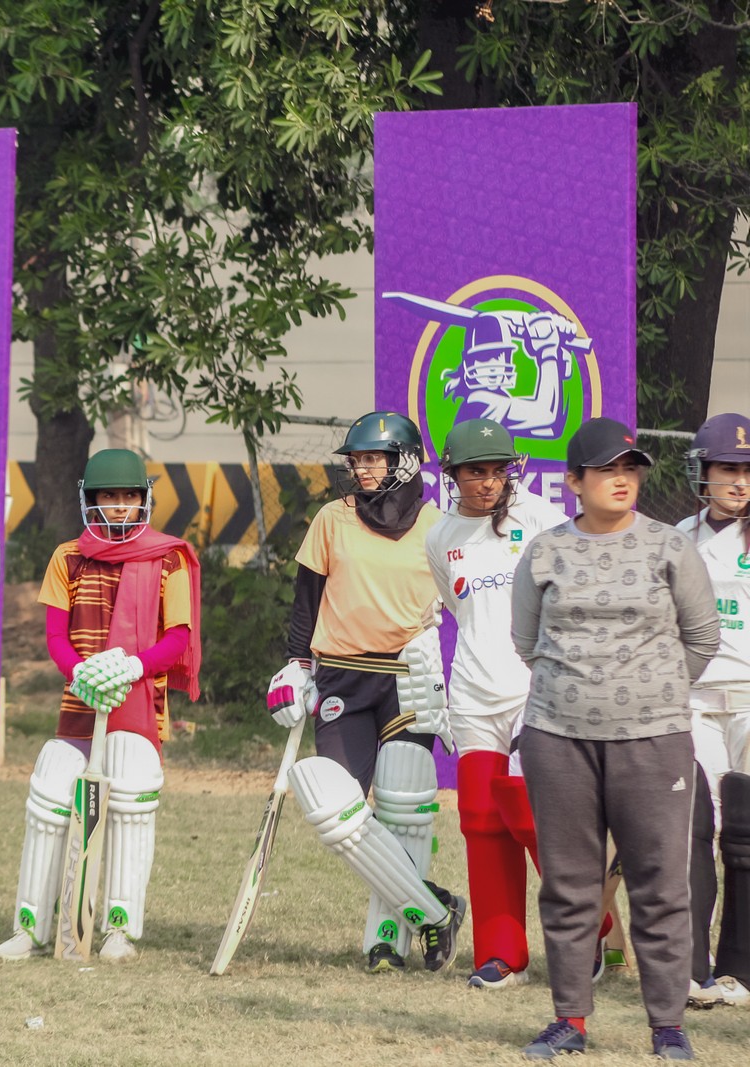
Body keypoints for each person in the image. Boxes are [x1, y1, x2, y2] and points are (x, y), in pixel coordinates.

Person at [511, 418, 719, 1061]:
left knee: (661, 885)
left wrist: (649, 692)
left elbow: (702, 638)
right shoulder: (544, 551)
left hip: (655, 743)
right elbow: (526, 641)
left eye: (631, 468)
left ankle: (668, 1025)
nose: (622, 479)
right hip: (559, 740)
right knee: (569, 885)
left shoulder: (670, 547)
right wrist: (581, 689)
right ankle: (569, 1020)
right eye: (606, 469)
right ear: (574, 481)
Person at [274, 412, 466, 974]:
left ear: (403, 461)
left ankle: (387, 940)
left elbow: (466, 605)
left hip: (409, 677)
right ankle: (434, 908)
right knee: (338, 810)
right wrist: (296, 665)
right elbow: (306, 601)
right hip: (341, 675)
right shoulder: (332, 519)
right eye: (356, 460)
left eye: (372, 459)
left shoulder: (439, 526)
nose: (360, 469)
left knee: (405, 808)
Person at [0, 448, 201, 963]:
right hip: (80, 697)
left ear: (144, 499)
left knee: (131, 796)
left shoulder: (168, 557)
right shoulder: (68, 557)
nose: (119, 505)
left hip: (137, 696)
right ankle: (31, 928)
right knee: (49, 793)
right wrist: (79, 672)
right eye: (109, 495)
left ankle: (119, 930)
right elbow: (56, 636)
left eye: (129, 495)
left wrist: (132, 668)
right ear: (90, 499)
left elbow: (178, 638)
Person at [425, 418, 567, 989]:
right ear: (453, 475)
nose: (488, 482)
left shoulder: (538, 518)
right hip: (472, 696)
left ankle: (592, 928)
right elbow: (459, 610)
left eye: (497, 470)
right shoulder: (441, 536)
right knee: (481, 822)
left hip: (534, 692)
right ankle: (502, 955)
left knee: (534, 818)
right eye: (475, 471)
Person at [678, 412, 750, 1009]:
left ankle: (740, 971)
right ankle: (691, 968)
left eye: (748, 470)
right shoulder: (679, 538)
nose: (740, 481)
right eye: (729, 468)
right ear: (702, 470)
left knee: (746, 839)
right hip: (696, 702)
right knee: (693, 829)